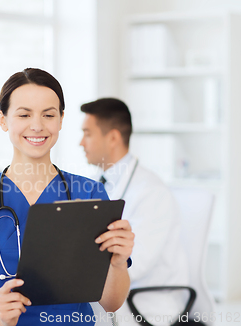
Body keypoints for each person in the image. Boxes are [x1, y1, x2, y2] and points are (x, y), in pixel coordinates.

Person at [0, 68, 135, 325]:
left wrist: (117, 263)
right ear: (3, 120)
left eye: (48, 115)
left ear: (61, 119)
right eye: (24, 114)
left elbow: (111, 302)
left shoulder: (90, 195)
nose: (37, 125)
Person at [79, 98, 189, 325]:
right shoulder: (93, 184)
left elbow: (136, 263)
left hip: (146, 299)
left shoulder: (151, 191)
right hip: (110, 291)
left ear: (113, 138)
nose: (81, 142)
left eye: (87, 134)